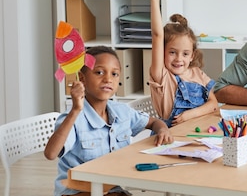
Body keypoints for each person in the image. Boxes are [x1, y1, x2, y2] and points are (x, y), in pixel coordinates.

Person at [44, 46, 173, 196]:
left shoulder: (122, 111)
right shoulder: (73, 117)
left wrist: (163, 129)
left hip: (112, 189)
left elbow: (154, 122)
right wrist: (75, 111)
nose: (108, 79)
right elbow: (51, 153)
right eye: (99, 72)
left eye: (114, 74)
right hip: (77, 192)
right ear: (82, 78)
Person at [147, 0, 219, 126]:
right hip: (170, 136)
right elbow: (157, 35)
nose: (179, 59)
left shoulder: (197, 73)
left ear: (192, 55)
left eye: (185, 54)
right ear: (163, 52)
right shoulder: (161, 76)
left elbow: (213, 104)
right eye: (172, 52)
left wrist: (189, 115)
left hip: (197, 132)